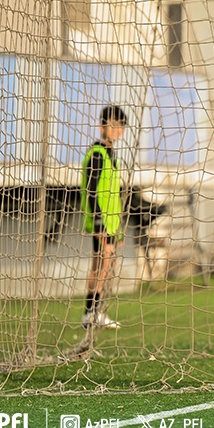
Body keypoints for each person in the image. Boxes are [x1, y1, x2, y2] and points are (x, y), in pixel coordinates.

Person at [80, 105, 127, 329]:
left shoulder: (110, 155)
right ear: (102, 126)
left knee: (103, 266)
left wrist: (117, 228)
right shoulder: (97, 154)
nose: (117, 130)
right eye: (113, 125)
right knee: (101, 267)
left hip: (111, 223)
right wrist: (99, 224)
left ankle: (93, 312)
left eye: (121, 126)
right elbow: (91, 190)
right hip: (101, 223)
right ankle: (92, 313)